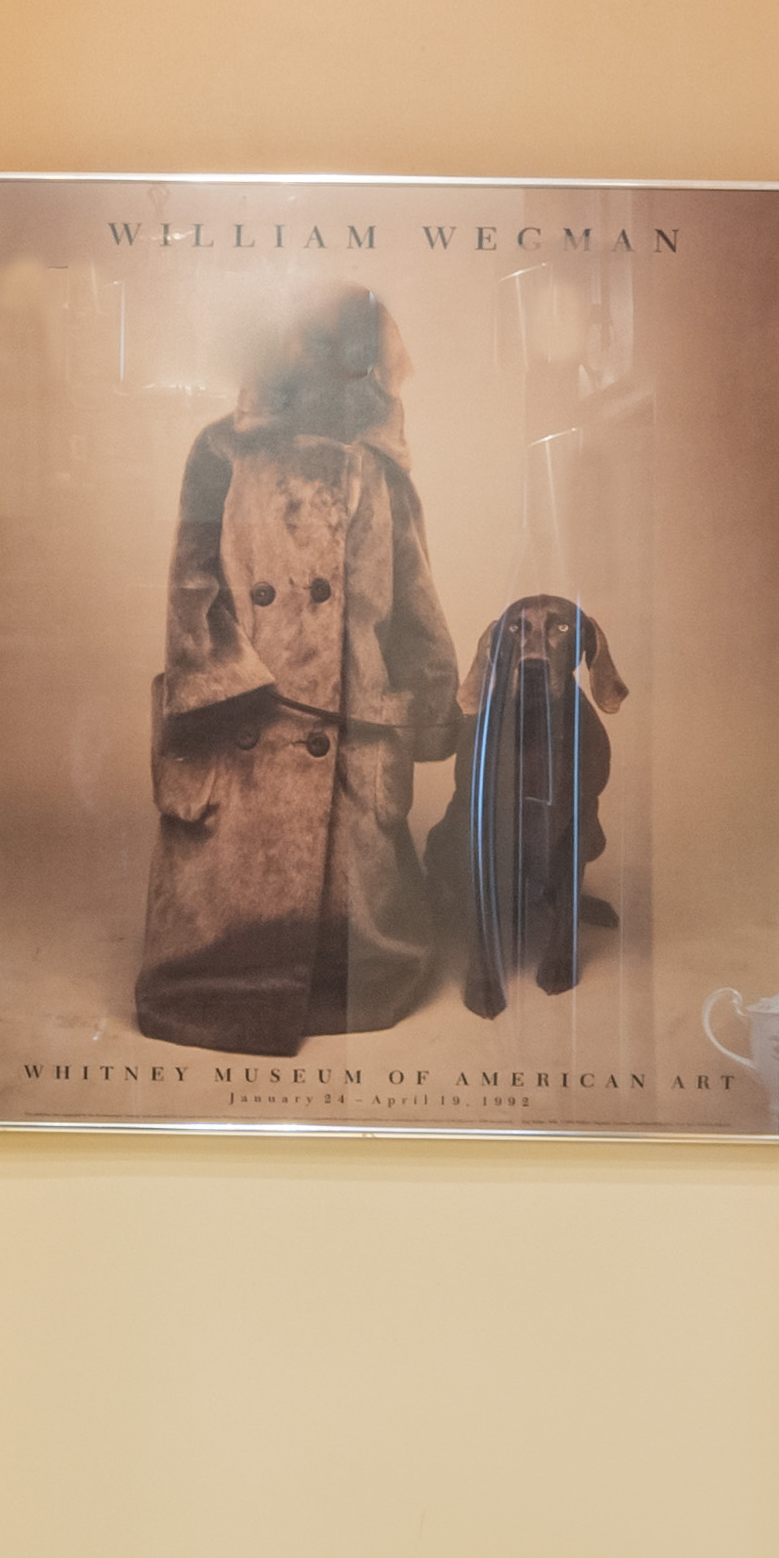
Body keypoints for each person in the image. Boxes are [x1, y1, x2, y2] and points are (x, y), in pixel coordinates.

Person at [138, 286, 462, 1052]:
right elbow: (191, 583)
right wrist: (221, 683)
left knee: (354, 936)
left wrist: (438, 702)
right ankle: (223, 972)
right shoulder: (222, 450)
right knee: (225, 915)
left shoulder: (379, 469)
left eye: (343, 349)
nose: (323, 363)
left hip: (353, 732)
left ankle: (346, 967)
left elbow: (412, 594)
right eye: (306, 344)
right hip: (242, 728)